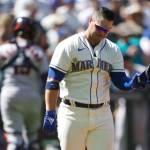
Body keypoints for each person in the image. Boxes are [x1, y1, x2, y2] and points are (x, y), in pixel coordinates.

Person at [43, 7, 150, 150]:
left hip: (102, 113)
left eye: (107, 31)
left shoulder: (113, 49)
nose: (102, 33)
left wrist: (134, 82)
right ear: (90, 21)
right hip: (72, 112)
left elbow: (121, 82)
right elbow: (52, 82)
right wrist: (50, 111)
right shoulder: (68, 46)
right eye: (99, 28)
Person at [0, 17, 48, 150]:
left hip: (9, 95)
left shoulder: (4, 49)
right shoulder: (38, 52)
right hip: (32, 97)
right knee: (32, 140)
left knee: (14, 139)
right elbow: (47, 79)